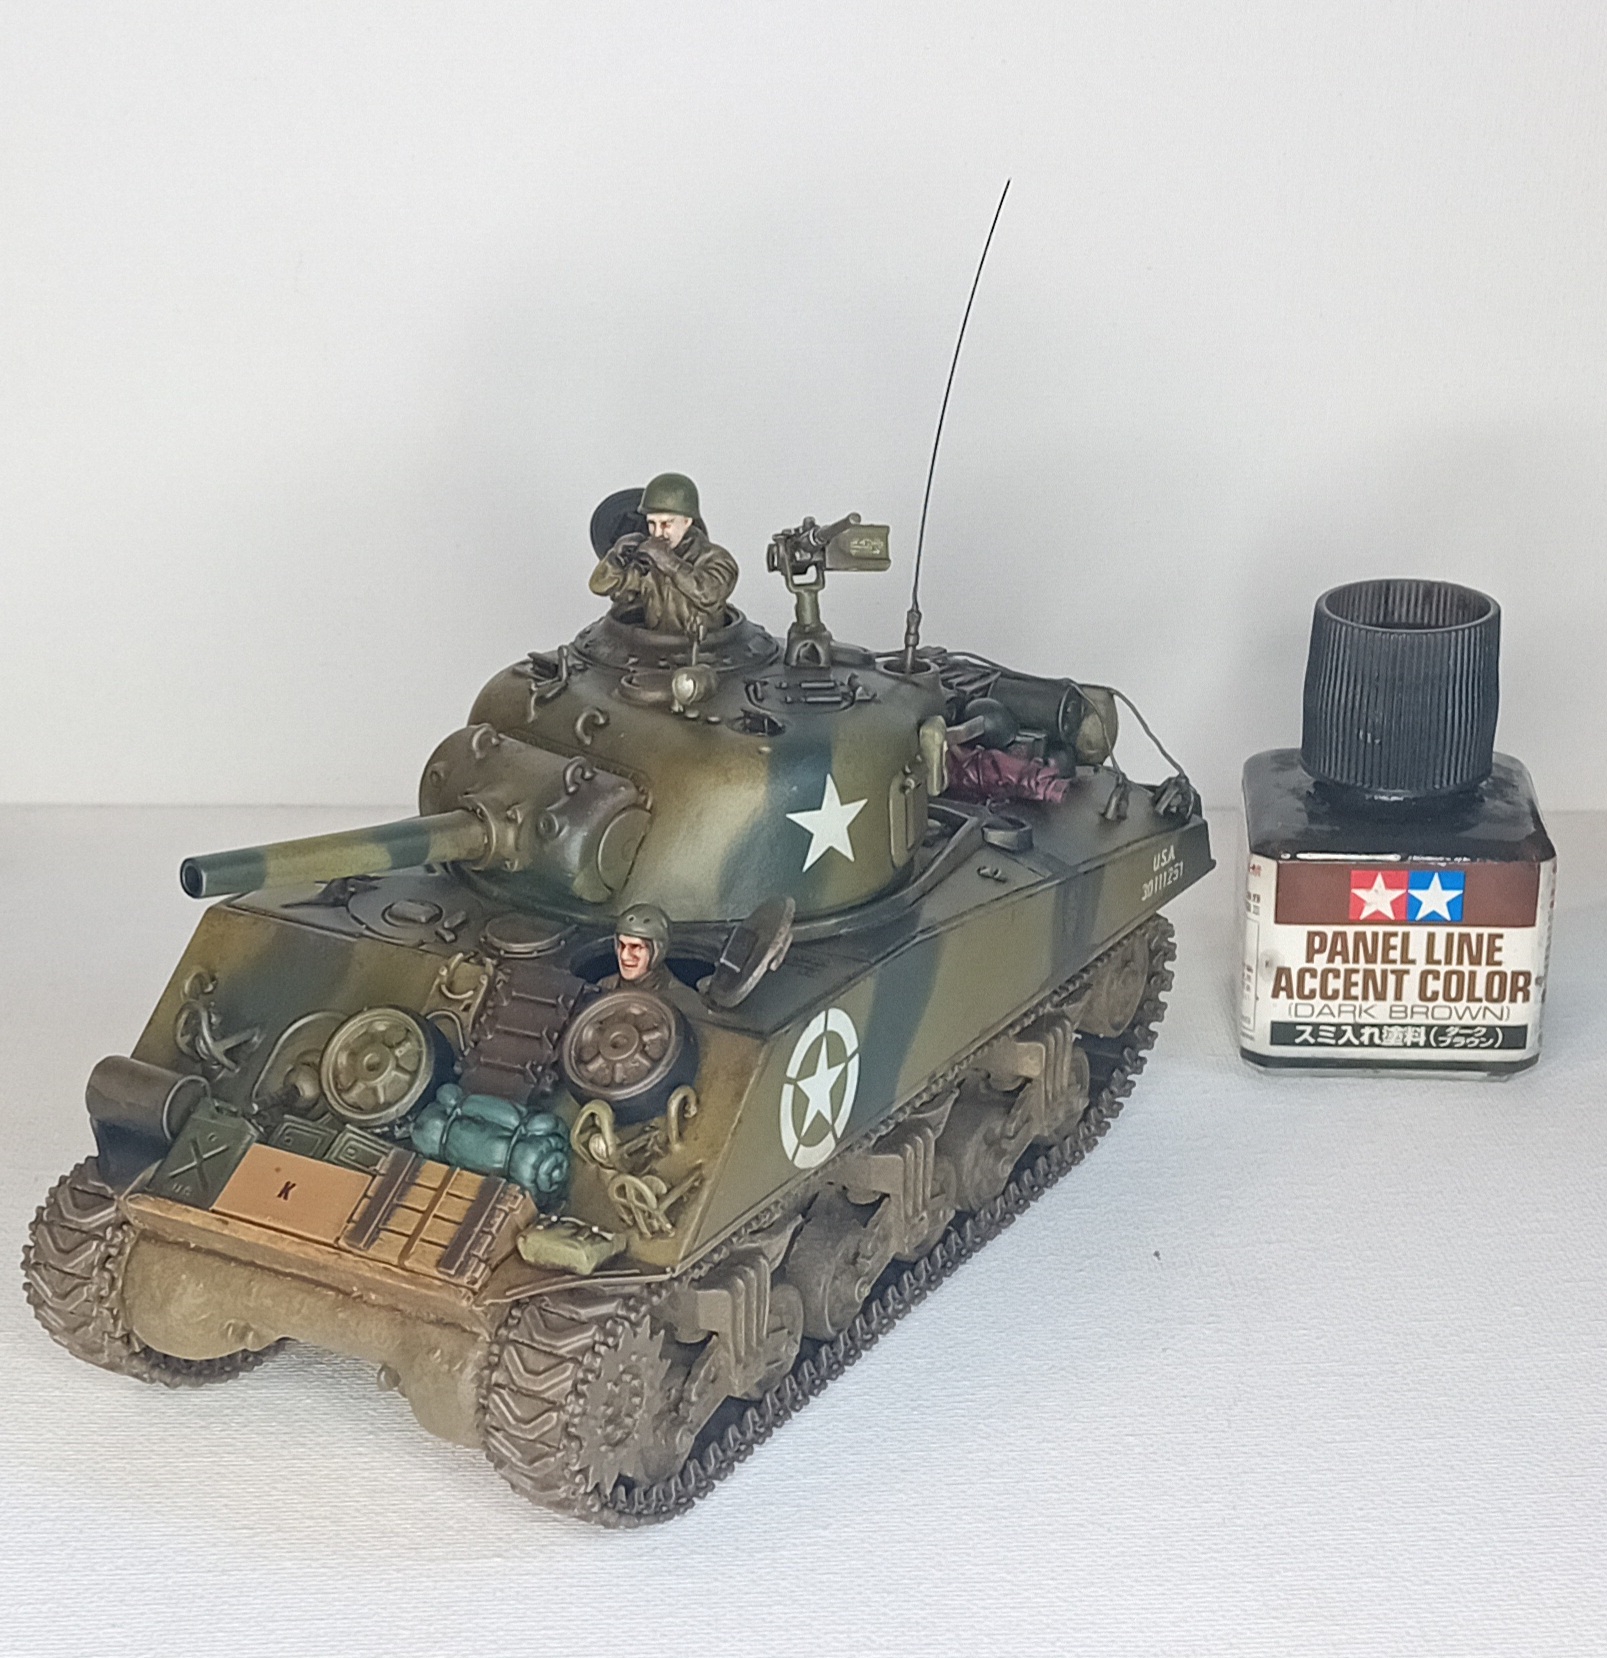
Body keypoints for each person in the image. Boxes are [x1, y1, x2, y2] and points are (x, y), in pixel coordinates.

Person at [589, 473, 738, 636]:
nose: (658, 533)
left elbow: (709, 595)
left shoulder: (716, 558)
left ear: (687, 521)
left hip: (706, 648)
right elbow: (601, 586)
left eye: (666, 524)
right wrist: (615, 557)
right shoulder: (648, 560)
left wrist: (669, 563)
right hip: (653, 646)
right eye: (652, 523)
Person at [600, 903, 676, 995]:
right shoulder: (604, 987)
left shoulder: (681, 998)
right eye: (621, 945)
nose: (624, 956)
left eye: (635, 946)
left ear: (657, 952)